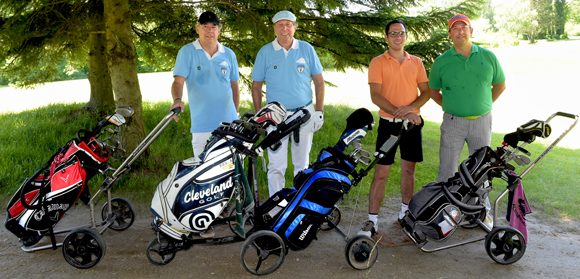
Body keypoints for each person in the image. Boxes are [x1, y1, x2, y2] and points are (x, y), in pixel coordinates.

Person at [428, 14, 506, 228]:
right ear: (450, 34)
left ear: (471, 31)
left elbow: (500, 85)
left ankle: (482, 213)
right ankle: (443, 216)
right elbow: (433, 91)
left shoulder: (488, 56)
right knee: (447, 169)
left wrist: (483, 105)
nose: (460, 31)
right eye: (455, 28)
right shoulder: (442, 61)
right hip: (453, 123)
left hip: (482, 122)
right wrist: (452, 106)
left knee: (481, 170)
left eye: (464, 27)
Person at [169, 11, 240, 238]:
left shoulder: (228, 54)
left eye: (214, 26)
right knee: (201, 172)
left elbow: (234, 86)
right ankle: (202, 221)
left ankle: (221, 211)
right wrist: (177, 100)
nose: (210, 30)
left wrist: (236, 115)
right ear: (197, 28)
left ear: (219, 30)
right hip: (201, 124)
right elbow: (178, 81)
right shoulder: (187, 52)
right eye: (205, 26)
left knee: (227, 170)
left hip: (228, 123)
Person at [358, 20, 430, 238]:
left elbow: (425, 93)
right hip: (388, 126)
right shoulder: (377, 62)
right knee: (381, 173)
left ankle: (404, 213)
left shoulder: (416, 62)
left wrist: (411, 110)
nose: (397, 37)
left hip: (412, 125)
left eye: (401, 33)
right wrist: (403, 112)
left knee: (409, 171)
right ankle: (372, 221)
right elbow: (376, 96)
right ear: (387, 37)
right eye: (393, 34)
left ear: (406, 37)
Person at [251, 11, 325, 197]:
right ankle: (277, 207)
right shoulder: (265, 52)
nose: (285, 29)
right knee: (276, 165)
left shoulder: (306, 48)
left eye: (288, 24)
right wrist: (259, 114)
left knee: (302, 164)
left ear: (294, 27)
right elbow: (256, 86)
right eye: (280, 25)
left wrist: (319, 111)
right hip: (275, 116)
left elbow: (319, 81)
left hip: (304, 114)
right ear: (274, 28)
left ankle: (299, 205)